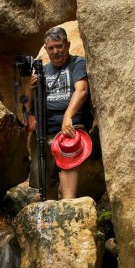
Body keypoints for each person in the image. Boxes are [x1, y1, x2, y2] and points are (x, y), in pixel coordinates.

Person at [27, 26, 92, 199]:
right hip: (44, 130)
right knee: (44, 179)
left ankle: (68, 205)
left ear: (67, 45)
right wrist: (30, 88)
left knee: (67, 162)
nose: (55, 51)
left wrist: (68, 116)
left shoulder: (77, 63)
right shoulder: (43, 70)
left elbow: (82, 89)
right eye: (51, 48)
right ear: (46, 48)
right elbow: (29, 106)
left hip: (70, 127)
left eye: (59, 46)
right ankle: (49, 213)